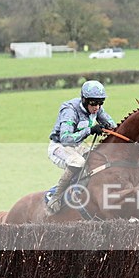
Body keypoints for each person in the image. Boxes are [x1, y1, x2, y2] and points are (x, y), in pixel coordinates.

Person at [46, 80, 117, 214]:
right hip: (59, 147)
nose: (97, 107)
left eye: (101, 103)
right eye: (93, 103)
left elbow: (112, 125)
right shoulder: (70, 110)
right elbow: (66, 139)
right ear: (84, 99)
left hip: (76, 146)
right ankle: (55, 197)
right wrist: (90, 130)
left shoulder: (97, 108)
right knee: (78, 162)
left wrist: (109, 128)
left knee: (98, 158)